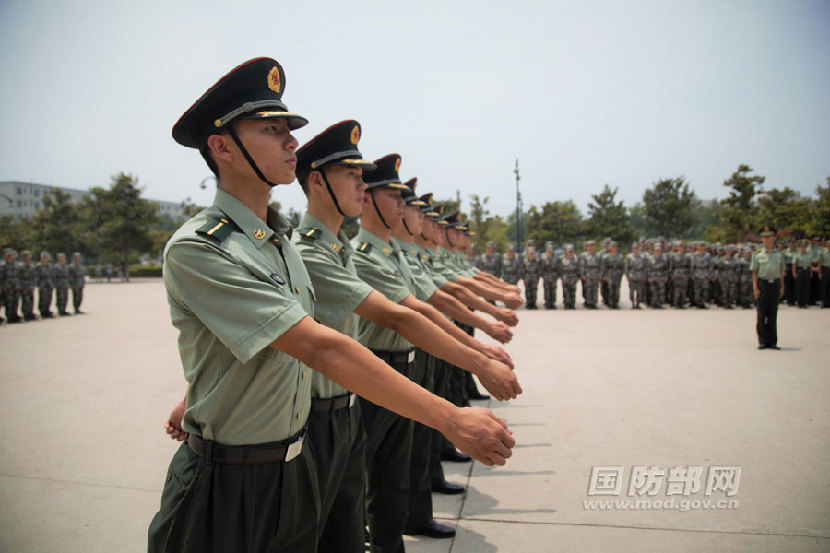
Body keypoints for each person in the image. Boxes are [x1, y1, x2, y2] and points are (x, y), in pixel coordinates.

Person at [148, 58, 516, 553]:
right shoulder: (202, 246)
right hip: (225, 482)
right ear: (221, 147)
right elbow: (320, 346)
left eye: (289, 131)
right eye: (272, 130)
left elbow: (262, 347)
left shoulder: (277, 243)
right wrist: (451, 416)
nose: (291, 143)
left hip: (294, 462)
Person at [751, 226, 785, 349]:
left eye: (769, 237)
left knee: (772, 314)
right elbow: (754, 273)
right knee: (761, 314)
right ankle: (762, 341)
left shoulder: (779, 255)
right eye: (765, 237)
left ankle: (772, 342)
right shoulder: (757, 255)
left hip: (775, 284)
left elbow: (781, 272)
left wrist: (782, 287)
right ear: (761, 239)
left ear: (774, 238)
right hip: (762, 285)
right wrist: (755, 288)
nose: (767, 239)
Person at [2, 249, 22, 323]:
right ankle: (9, 316)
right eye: (8, 256)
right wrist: (3, 286)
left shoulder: (16, 265)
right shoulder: (3, 265)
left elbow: (19, 275)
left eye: (11, 256)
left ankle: (15, 315)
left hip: (16, 284)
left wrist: (20, 285)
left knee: (15, 301)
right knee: (9, 301)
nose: (10, 257)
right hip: (8, 285)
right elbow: (2, 277)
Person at [578, 240, 600, 309]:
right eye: (589, 246)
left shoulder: (598, 255)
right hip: (588, 274)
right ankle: (589, 303)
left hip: (596, 274)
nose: (591, 247)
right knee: (588, 289)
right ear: (587, 247)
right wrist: (582, 274)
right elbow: (582, 266)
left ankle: (594, 303)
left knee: (595, 289)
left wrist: (600, 274)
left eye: (592, 246)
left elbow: (601, 266)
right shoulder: (584, 255)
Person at [625, 242, 646, 309]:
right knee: (631, 291)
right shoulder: (629, 257)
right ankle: (633, 303)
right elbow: (626, 267)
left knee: (639, 291)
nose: (635, 249)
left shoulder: (642, 257)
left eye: (636, 248)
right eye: (634, 248)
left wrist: (644, 276)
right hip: (632, 276)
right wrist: (627, 276)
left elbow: (645, 267)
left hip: (640, 275)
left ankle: (638, 304)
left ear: (639, 249)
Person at [793, 240, 812, 308]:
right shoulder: (797, 255)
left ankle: (804, 302)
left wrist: (811, 272)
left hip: (807, 270)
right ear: (800, 248)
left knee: (806, 287)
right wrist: (794, 273)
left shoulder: (808, 255)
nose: (803, 248)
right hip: (800, 270)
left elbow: (810, 264)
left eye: (804, 247)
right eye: (802, 247)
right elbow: (794, 264)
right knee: (799, 287)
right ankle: (799, 302)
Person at [19, 250, 37, 321]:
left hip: (30, 285)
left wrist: (34, 284)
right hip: (24, 285)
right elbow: (18, 277)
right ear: (23, 258)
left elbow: (35, 276)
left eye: (29, 257)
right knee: (25, 300)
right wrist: (20, 286)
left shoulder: (32, 266)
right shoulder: (20, 267)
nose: (28, 259)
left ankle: (30, 313)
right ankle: (25, 314)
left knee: (31, 300)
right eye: (26, 257)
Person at [36, 252, 55, 318]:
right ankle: (42, 311)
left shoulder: (50, 266)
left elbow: (52, 275)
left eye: (46, 258)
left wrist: (53, 283)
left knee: (49, 297)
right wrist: (38, 285)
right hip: (42, 283)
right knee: (43, 298)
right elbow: (37, 276)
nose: (45, 259)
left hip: (49, 283)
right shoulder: (39, 266)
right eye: (43, 258)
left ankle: (47, 310)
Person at [560, 244, 579, 309]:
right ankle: (566, 304)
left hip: (573, 277)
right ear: (566, 251)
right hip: (566, 277)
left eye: (571, 251)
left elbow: (578, 269)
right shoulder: (563, 259)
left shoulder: (576, 259)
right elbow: (561, 269)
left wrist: (577, 277)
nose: (570, 253)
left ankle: (572, 304)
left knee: (573, 291)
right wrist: (561, 278)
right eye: (569, 251)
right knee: (566, 291)